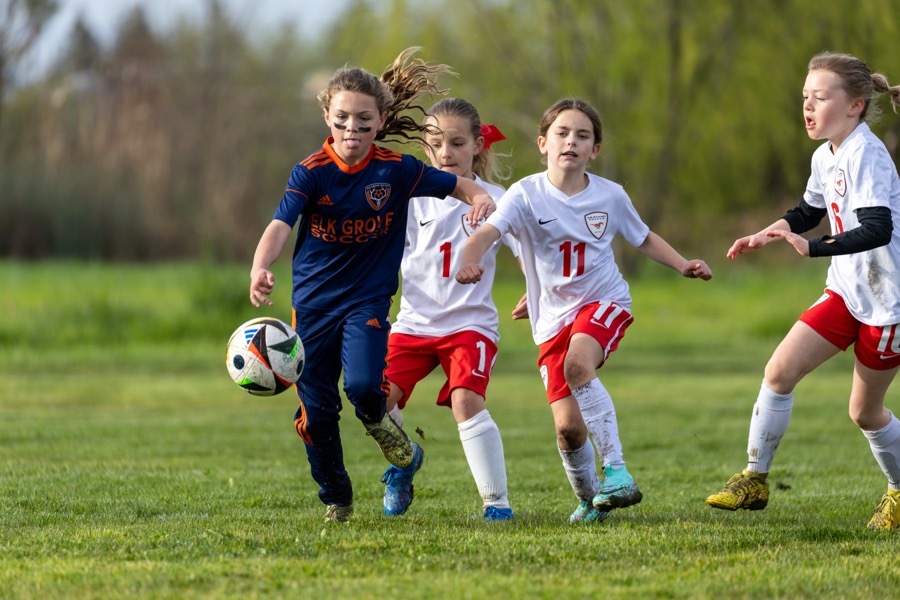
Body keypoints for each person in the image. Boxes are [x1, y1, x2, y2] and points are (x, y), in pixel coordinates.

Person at [248, 48, 496, 524]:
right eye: (342, 118)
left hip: (365, 301)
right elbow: (281, 224)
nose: (352, 129)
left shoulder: (396, 170)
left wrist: (480, 194)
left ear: (381, 119)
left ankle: (390, 436)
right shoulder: (311, 172)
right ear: (327, 116)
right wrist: (261, 266)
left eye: (364, 119)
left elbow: (459, 185)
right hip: (313, 310)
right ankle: (337, 498)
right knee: (317, 415)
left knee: (364, 386)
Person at [456, 98, 712, 523]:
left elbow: (643, 238)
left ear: (595, 150)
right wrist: (471, 257)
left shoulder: (610, 196)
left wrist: (683, 263)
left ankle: (617, 471)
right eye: (561, 133)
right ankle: (592, 498)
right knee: (568, 429)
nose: (570, 141)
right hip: (552, 321)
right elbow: (487, 232)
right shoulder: (525, 194)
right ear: (543, 143)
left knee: (578, 365)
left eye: (582, 135)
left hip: (603, 303)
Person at [705, 52, 900, 531]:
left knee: (864, 412)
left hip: (888, 304)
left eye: (820, 97)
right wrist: (765, 234)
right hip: (846, 293)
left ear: (855, 105)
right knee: (778, 371)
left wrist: (812, 251)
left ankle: (899, 491)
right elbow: (807, 211)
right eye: (805, 98)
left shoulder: (867, 154)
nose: (808, 107)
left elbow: (877, 228)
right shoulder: (825, 154)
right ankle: (754, 478)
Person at [384, 98, 519, 521]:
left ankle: (496, 504)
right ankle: (403, 463)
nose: (446, 153)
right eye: (437, 143)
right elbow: (385, 260)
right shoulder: (410, 199)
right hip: (412, 326)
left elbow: (531, 252)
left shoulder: (497, 199)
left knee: (466, 401)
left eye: (457, 143)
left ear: (477, 145)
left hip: (470, 326)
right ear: (426, 148)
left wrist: (536, 290)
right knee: (375, 400)